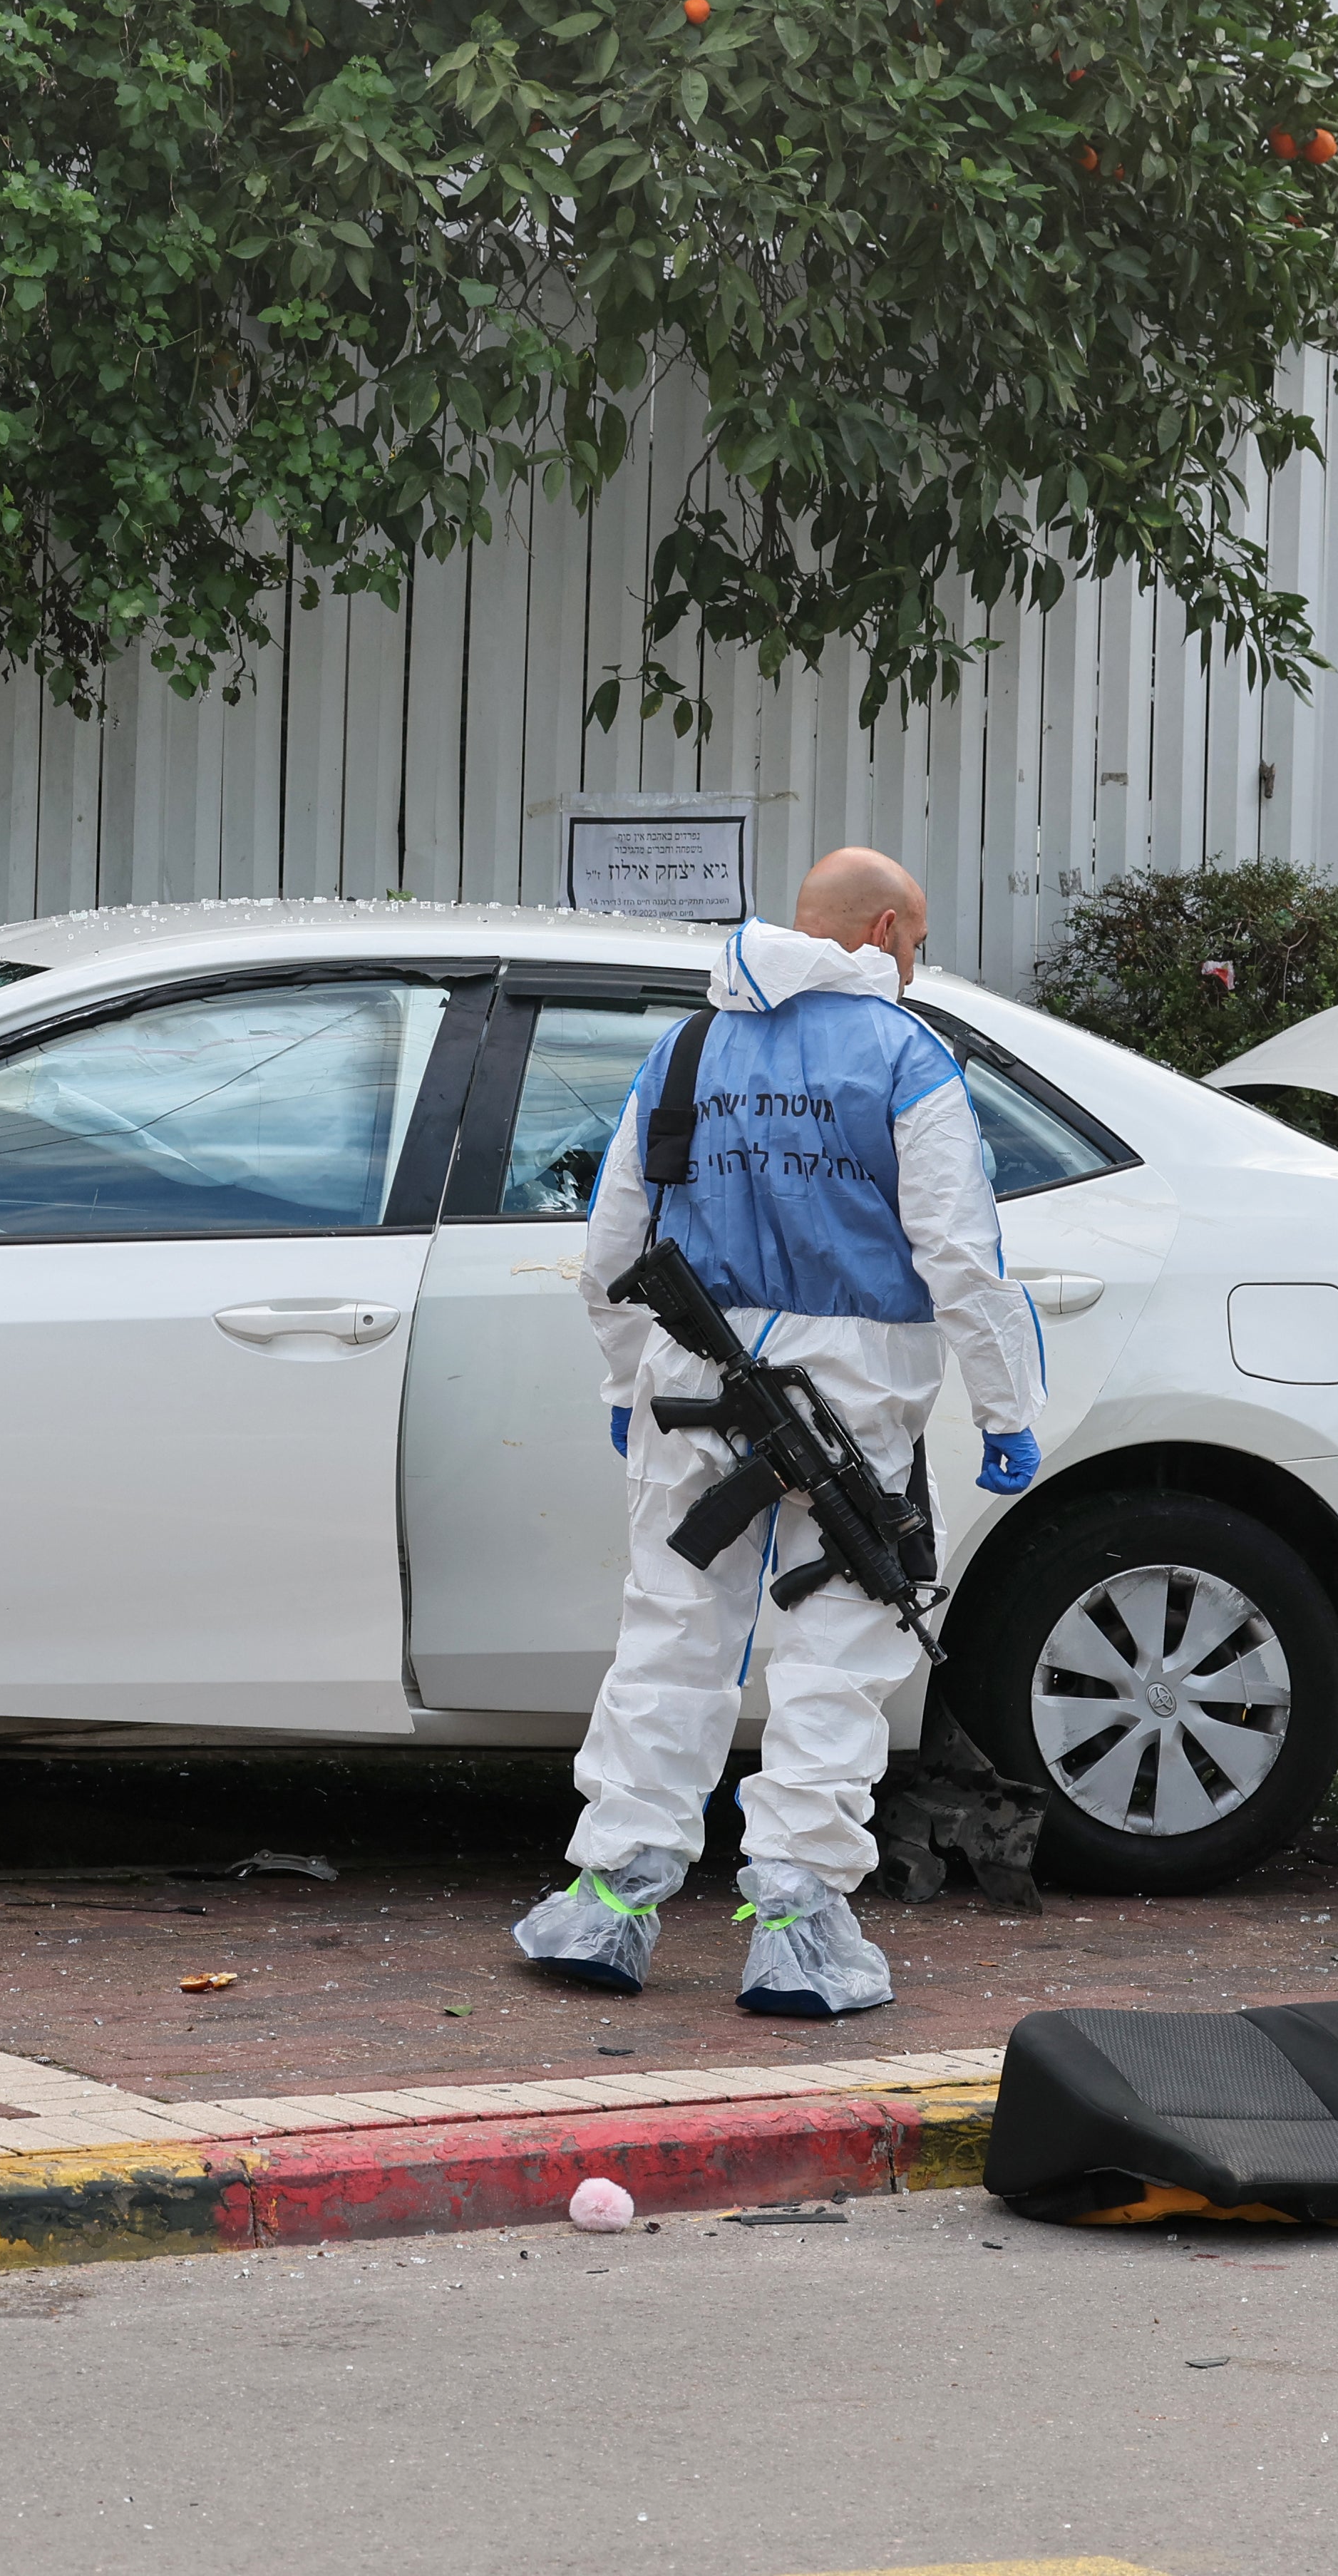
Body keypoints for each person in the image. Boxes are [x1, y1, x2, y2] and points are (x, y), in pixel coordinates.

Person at [510, 848, 1046, 2017]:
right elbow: (962, 1256)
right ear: (892, 929)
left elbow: (612, 1249)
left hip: (694, 1385)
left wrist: (621, 1385)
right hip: (855, 1404)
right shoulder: (908, 1058)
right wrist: (1008, 1412)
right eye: (920, 941)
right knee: (839, 1653)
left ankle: (609, 1907)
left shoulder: (688, 1048)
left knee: (671, 1635)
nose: (918, 961)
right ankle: (796, 1932)